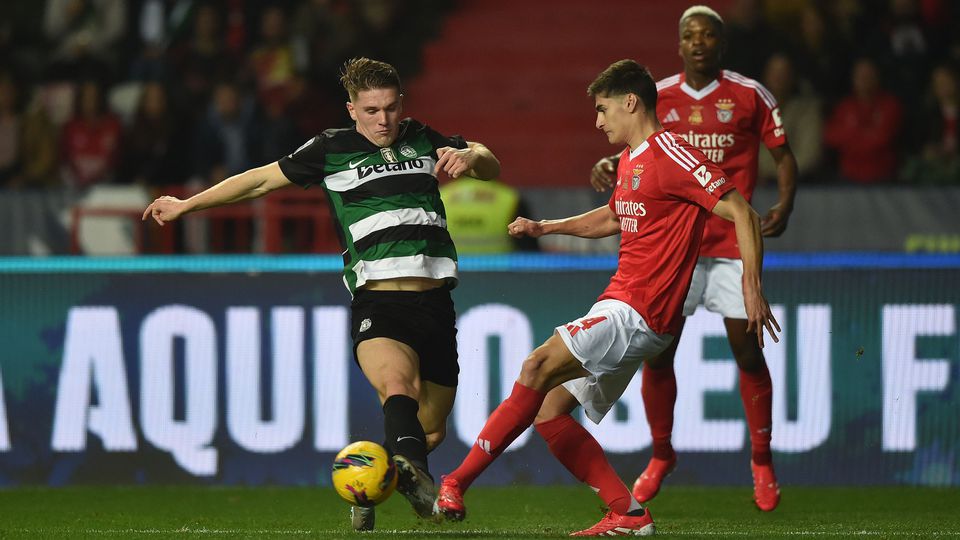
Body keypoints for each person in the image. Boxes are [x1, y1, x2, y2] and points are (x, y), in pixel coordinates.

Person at [142, 57, 501, 531]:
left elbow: (489, 164)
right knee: (399, 387)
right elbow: (260, 179)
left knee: (430, 429)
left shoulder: (421, 137)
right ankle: (420, 480)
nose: (383, 120)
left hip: (436, 303)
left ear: (401, 104)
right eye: (371, 110)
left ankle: (365, 482)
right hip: (380, 301)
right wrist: (187, 205)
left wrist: (473, 156)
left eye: (390, 108)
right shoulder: (331, 148)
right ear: (352, 110)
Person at [435, 59, 780, 537]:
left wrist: (751, 288)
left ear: (630, 102)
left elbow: (742, 211)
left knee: (536, 365)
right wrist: (545, 227)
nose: (598, 121)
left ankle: (455, 482)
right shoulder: (632, 159)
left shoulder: (673, 155)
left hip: (639, 311)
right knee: (550, 412)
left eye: (602, 109)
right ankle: (628, 512)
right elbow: (615, 216)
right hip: (625, 306)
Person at [588, 5, 797, 512]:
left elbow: (783, 156)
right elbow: (642, 149)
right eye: (689, 35)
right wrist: (610, 163)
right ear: (679, 44)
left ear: (721, 44)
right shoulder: (660, 94)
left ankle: (762, 459)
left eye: (707, 35)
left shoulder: (750, 94)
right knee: (659, 355)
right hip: (675, 249)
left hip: (730, 243)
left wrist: (785, 204)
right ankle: (661, 455)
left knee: (747, 351)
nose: (698, 42)